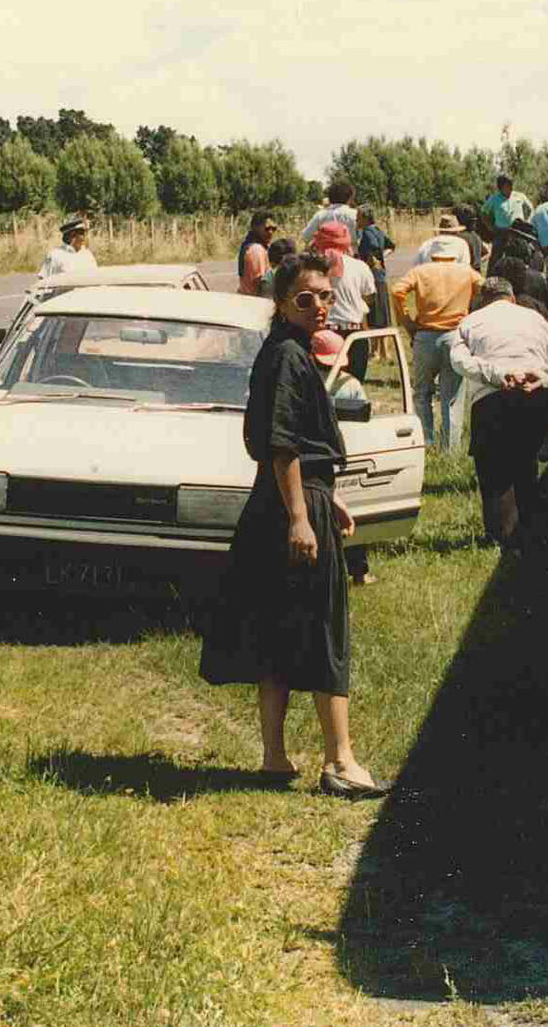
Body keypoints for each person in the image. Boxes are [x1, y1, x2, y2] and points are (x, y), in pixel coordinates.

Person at [199, 253, 388, 800]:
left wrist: (329, 501)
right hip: (290, 506)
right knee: (324, 629)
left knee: (278, 629)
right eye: (305, 298)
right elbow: (282, 443)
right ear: (281, 303)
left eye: (326, 296)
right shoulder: (286, 355)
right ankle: (340, 761)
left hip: (290, 500)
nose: (319, 306)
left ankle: (275, 758)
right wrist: (304, 517)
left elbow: (296, 448)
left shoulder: (288, 351)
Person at [448, 276, 548, 551]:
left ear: (483, 300)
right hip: (536, 397)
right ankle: (532, 532)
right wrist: (541, 376)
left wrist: (495, 374)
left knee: (494, 473)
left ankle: (502, 537)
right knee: (527, 466)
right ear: (512, 297)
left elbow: (458, 360)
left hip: (491, 400)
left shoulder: (470, 321)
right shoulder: (536, 319)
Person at [389, 243, 482, 450]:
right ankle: (449, 447)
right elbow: (485, 288)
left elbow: (397, 291)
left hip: (425, 335)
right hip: (455, 335)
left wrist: (407, 322)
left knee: (422, 392)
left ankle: (426, 441)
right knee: (452, 396)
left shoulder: (420, 271)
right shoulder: (466, 272)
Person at [310, 326, 379, 587]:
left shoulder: (303, 379)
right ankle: (359, 571)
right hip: (344, 454)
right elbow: (364, 419)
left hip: (315, 457)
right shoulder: (350, 385)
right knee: (352, 511)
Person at [310, 220, 376, 381]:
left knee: (322, 386)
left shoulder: (312, 267)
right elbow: (369, 297)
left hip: (324, 333)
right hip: (354, 332)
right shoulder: (360, 267)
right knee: (353, 385)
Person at [354, 206, 394, 329]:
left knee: (375, 318)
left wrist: (368, 260)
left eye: (358, 218)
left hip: (372, 276)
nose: (356, 221)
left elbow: (373, 246)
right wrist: (382, 256)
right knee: (383, 317)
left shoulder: (367, 233)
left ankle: (376, 347)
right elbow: (391, 246)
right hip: (380, 275)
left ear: (365, 218)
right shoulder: (378, 230)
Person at [298, 181, 359, 249]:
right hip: (351, 255)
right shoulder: (356, 215)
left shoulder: (320, 215)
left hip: (325, 256)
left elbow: (306, 236)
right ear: (350, 198)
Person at [38, 215, 97, 281]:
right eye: (82, 233)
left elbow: (95, 278)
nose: (84, 237)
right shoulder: (55, 255)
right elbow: (43, 280)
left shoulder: (88, 255)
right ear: (72, 235)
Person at [238, 211, 278, 297]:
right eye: (267, 228)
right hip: (255, 300)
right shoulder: (256, 250)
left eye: (273, 229)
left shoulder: (250, 245)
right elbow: (260, 282)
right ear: (255, 228)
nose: (271, 232)